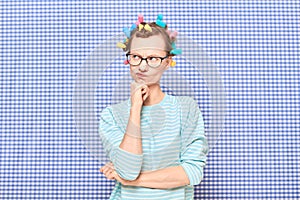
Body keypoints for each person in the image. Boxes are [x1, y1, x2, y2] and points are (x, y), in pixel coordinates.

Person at [98, 14, 209, 200]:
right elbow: (127, 170)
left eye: (153, 58)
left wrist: (131, 181)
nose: (142, 67)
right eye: (136, 57)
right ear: (128, 60)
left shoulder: (187, 109)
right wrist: (135, 108)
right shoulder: (111, 116)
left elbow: (191, 173)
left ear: (167, 62)